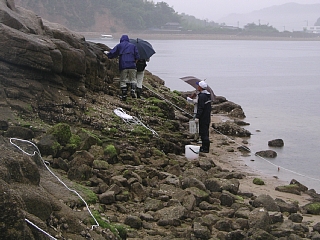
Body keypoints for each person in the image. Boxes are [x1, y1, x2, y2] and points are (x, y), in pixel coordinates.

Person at [107, 35, 140, 101]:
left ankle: (124, 95)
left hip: (123, 65)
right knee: (133, 79)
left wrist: (108, 55)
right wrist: (134, 63)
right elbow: (137, 56)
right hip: (132, 65)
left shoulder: (119, 45)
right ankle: (133, 90)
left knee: (123, 80)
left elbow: (113, 53)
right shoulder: (133, 46)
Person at [194, 80, 212, 153]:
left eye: (198, 86)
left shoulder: (202, 96)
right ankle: (205, 146)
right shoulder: (208, 95)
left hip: (203, 117)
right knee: (205, 132)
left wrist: (197, 117)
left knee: (203, 133)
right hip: (207, 116)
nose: (197, 87)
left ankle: (205, 148)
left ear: (200, 87)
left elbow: (200, 108)